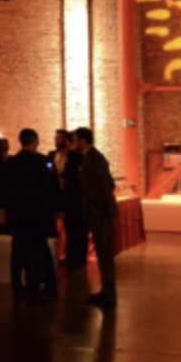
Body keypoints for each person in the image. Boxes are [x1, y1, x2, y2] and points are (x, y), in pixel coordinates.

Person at [1, 128, 61, 301]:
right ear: (35, 141)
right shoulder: (44, 162)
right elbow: (52, 187)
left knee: (18, 251)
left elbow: (4, 190)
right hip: (38, 214)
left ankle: (17, 285)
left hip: (18, 214)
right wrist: (56, 208)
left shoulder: (11, 163)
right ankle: (44, 285)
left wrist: (3, 209)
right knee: (40, 249)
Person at [77, 127, 119, 308]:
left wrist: (96, 206)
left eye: (76, 140)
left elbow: (105, 184)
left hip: (99, 213)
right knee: (103, 253)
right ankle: (106, 291)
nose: (74, 143)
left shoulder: (93, 158)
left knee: (105, 253)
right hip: (98, 211)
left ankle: (109, 293)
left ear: (83, 140)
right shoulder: (91, 157)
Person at [60, 128, 88, 272]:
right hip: (79, 199)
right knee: (79, 231)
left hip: (72, 199)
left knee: (72, 230)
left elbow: (67, 174)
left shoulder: (73, 156)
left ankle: (73, 259)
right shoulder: (82, 156)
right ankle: (80, 259)